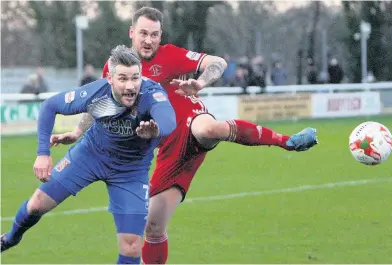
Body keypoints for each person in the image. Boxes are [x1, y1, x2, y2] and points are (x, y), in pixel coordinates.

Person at [49, 7, 318, 264]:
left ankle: (287, 141)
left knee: (208, 129)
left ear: (160, 36)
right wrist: (76, 131)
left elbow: (217, 62)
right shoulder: (114, 68)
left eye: (154, 35)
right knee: (153, 227)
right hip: (169, 151)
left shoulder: (169, 55)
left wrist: (200, 82)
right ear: (131, 32)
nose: (149, 40)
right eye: (143, 33)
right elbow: (99, 103)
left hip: (191, 122)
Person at [0, 45, 177, 264]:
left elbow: (168, 120)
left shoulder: (151, 92)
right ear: (110, 79)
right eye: (123, 78)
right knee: (36, 204)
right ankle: (9, 239)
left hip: (130, 171)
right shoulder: (96, 92)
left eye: (135, 78)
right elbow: (49, 106)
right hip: (91, 156)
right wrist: (43, 153)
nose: (131, 86)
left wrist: (156, 129)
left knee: (131, 248)